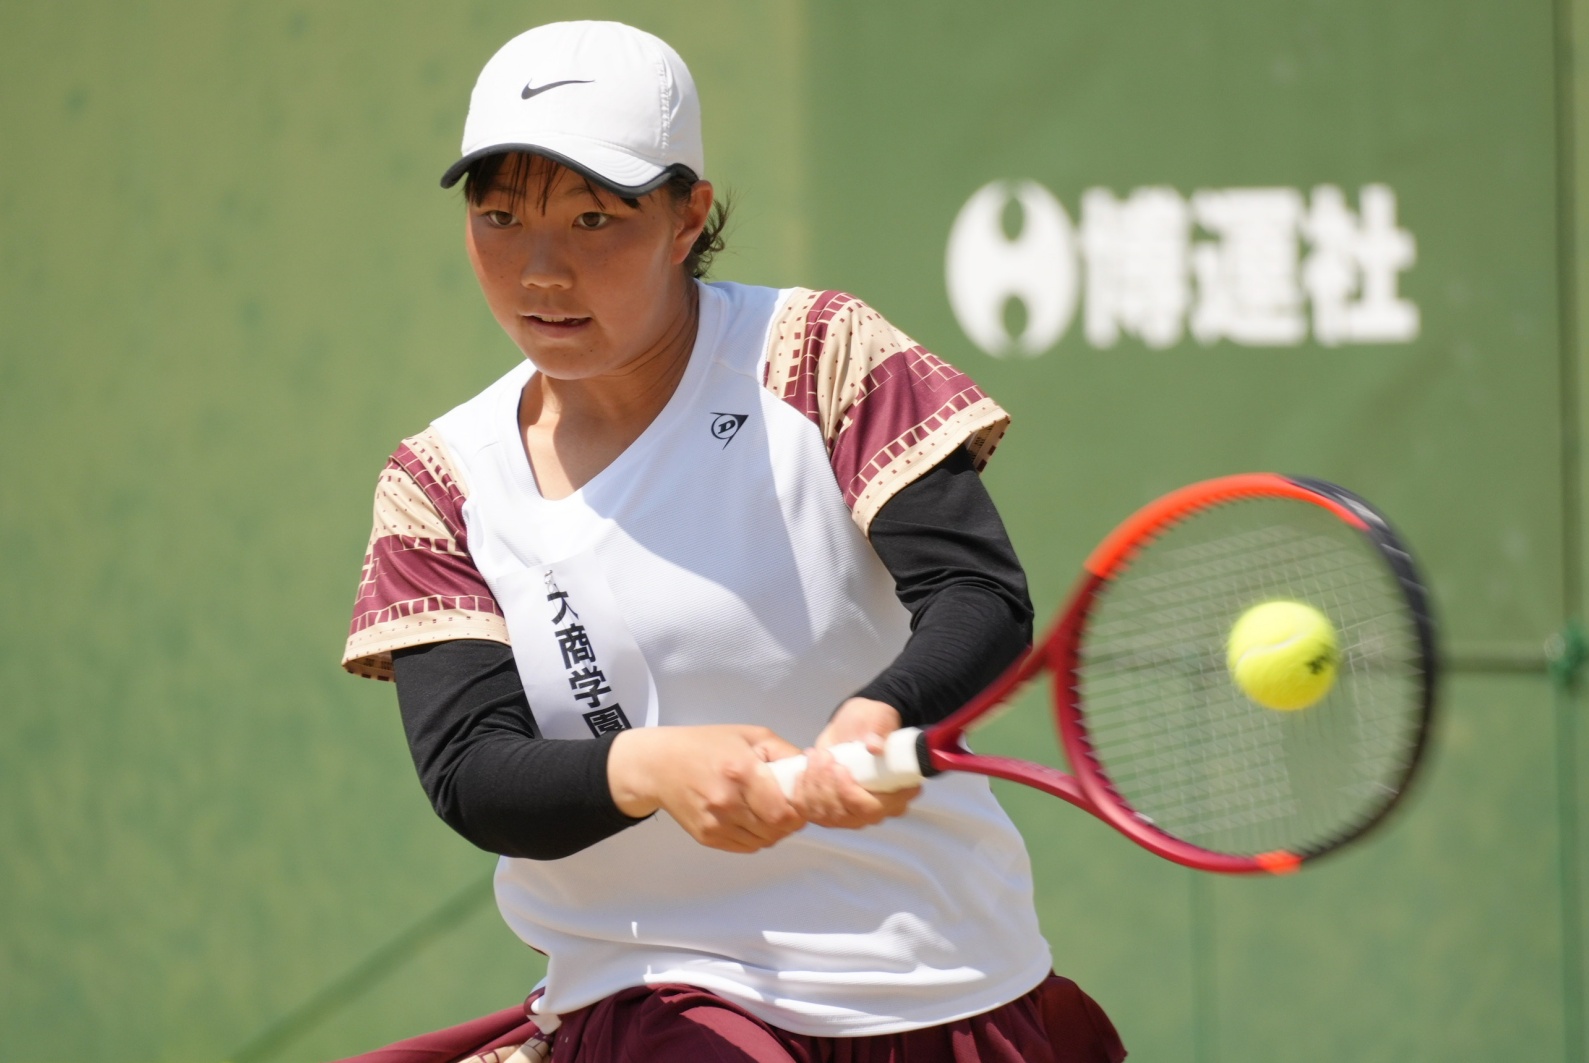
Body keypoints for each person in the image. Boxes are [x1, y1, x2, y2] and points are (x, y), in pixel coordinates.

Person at [341, 20, 1124, 1063]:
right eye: (499, 218)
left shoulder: (821, 353)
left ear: (687, 217)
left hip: (943, 973)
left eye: (592, 217)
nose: (541, 270)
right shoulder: (439, 483)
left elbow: (976, 595)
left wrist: (878, 713)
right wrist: (648, 767)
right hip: (652, 990)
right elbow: (474, 772)